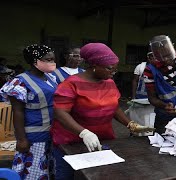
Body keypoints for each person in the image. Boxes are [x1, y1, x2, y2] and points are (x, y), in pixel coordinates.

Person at [50, 43, 154, 180]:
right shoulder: (71, 84)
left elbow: (114, 107)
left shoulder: (109, 83)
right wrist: (84, 133)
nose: (113, 72)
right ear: (94, 66)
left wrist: (131, 125)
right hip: (72, 142)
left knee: (100, 175)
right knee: (68, 176)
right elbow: (60, 112)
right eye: (109, 68)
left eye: (115, 69)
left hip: (101, 140)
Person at [0, 44, 57, 179]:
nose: (52, 63)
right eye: (48, 60)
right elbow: (17, 111)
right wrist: (21, 139)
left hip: (52, 133)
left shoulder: (50, 78)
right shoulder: (20, 82)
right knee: (34, 172)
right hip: (34, 136)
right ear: (35, 61)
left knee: (49, 171)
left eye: (53, 59)